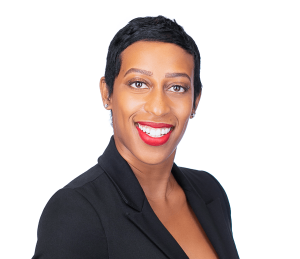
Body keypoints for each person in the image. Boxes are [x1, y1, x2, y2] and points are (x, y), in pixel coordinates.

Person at [32, 16, 239, 259]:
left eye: (177, 88)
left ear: (195, 101)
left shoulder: (209, 192)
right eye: (139, 83)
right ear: (107, 93)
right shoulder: (76, 213)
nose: (159, 108)